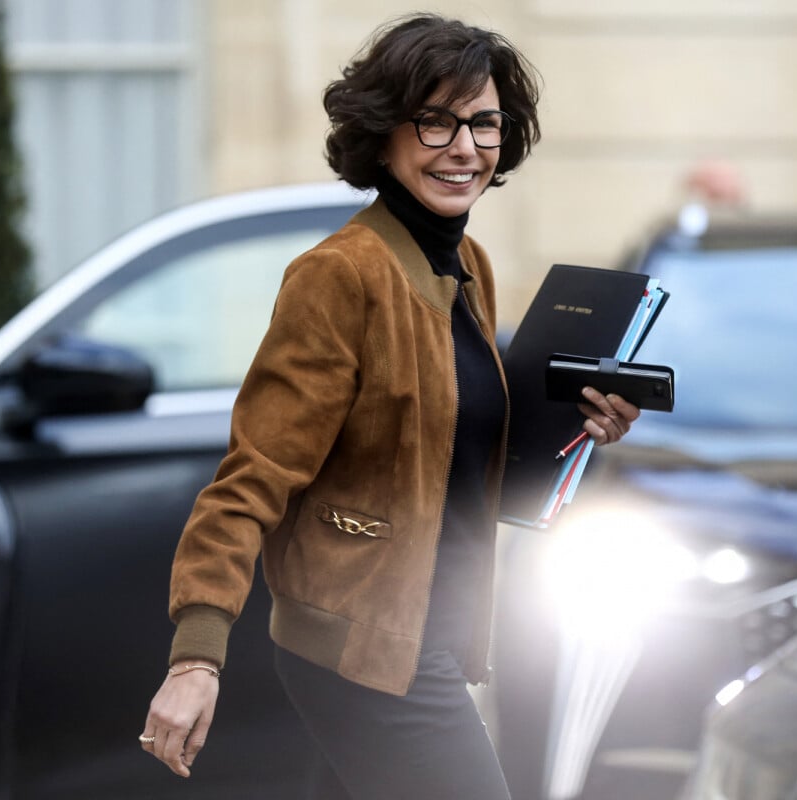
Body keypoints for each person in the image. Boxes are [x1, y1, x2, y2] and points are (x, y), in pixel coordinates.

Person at [139, 13, 640, 799]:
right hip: (360, 646)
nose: (465, 147)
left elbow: (453, 451)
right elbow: (253, 475)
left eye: (484, 124)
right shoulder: (339, 276)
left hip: (430, 632)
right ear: (383, 135)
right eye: (435, 121)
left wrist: (578, 429)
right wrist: (196, 656)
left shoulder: (464, 263)